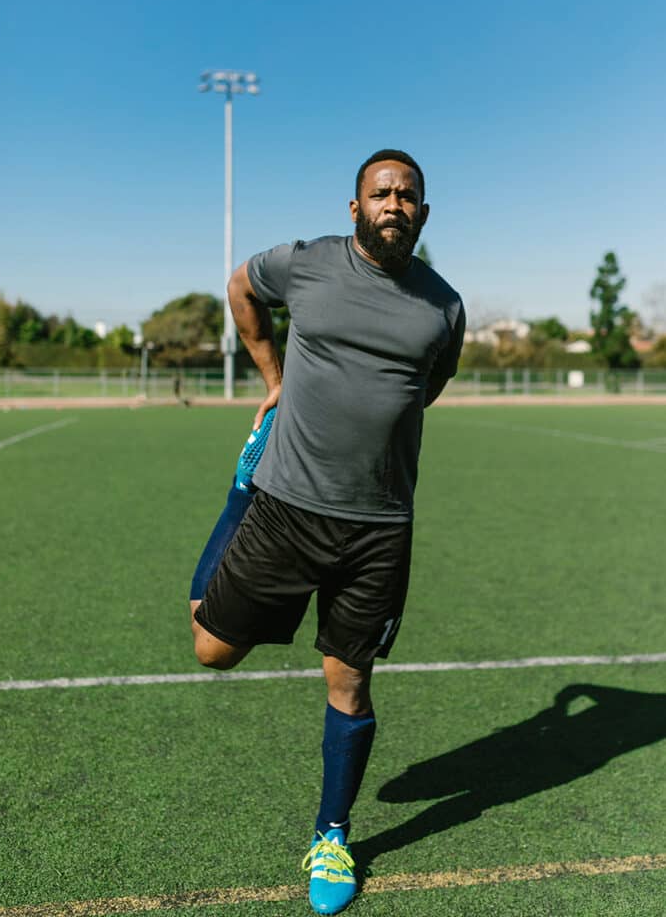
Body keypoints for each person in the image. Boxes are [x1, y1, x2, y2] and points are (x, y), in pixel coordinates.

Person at [189, 149, 465, 915]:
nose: (394, 204)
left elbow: (425, 388)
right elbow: (241, 286)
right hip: (283, 509)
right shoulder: (306, 265)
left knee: (350, 680)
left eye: (408, 195)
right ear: (355, 208)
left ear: (424, 212)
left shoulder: (444, 307)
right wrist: (273, 377)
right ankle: (239, 487)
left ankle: (332, 833)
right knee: (212, 650)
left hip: (380, 528)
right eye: (381, 193)